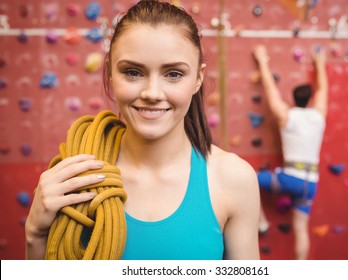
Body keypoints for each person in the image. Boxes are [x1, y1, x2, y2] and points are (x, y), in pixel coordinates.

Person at [25, 0, 261, 260]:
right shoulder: (72, 179)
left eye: (173, 74)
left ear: (198, 79)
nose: (152, 93)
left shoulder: (234, 179)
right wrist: (35, 235)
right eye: (133, 72)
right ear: (111, 75)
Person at [253, 44, 328, 260]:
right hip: (310, 182)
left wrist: (262, 60)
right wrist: (320, 64)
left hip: (291, 178)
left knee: (250, 179)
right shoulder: (318, 115)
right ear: (310, 100)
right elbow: (323, 90)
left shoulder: (288, 116)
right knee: (301, 231)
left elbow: (270, 90)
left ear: (294, 99)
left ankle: (262, 221)